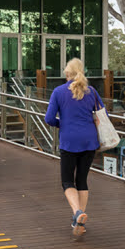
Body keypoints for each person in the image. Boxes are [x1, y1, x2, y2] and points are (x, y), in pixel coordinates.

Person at [45, 58, 104, 238]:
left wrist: (61, 124)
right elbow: (103, 114)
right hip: (89, 141)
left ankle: (78, 212)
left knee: (67, 181)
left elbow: (48, 119)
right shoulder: (91, 92)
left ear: (67, 73)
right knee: (82, 180)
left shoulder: (58, 92)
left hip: (69, 141)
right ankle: (78, 220)